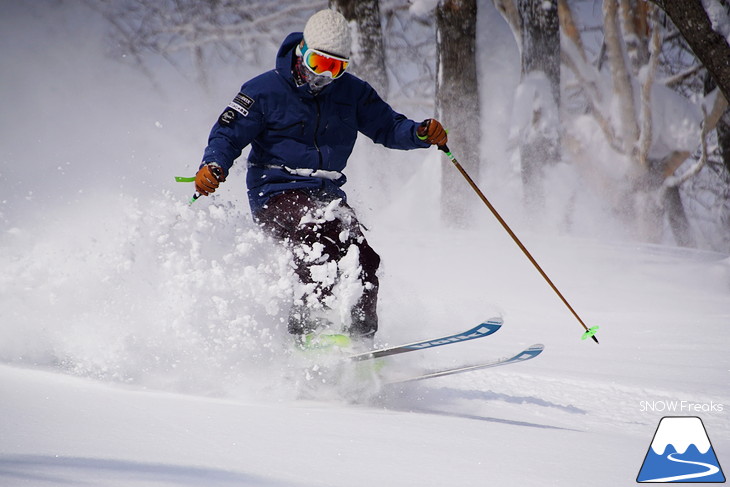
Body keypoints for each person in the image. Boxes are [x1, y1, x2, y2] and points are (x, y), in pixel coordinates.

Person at [194, 9, 447, 347]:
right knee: (318, 238)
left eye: (336, 67)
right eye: (319, 62)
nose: (326, 75)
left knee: (363, 256)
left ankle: (360, 339)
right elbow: (227, 134)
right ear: (302, 52)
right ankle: (309, 334)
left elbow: (388, 127)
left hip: (326, 193)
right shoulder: (264, 90)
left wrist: (418, 133)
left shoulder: (352, 93)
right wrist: (213, 166)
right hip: (275, 190)